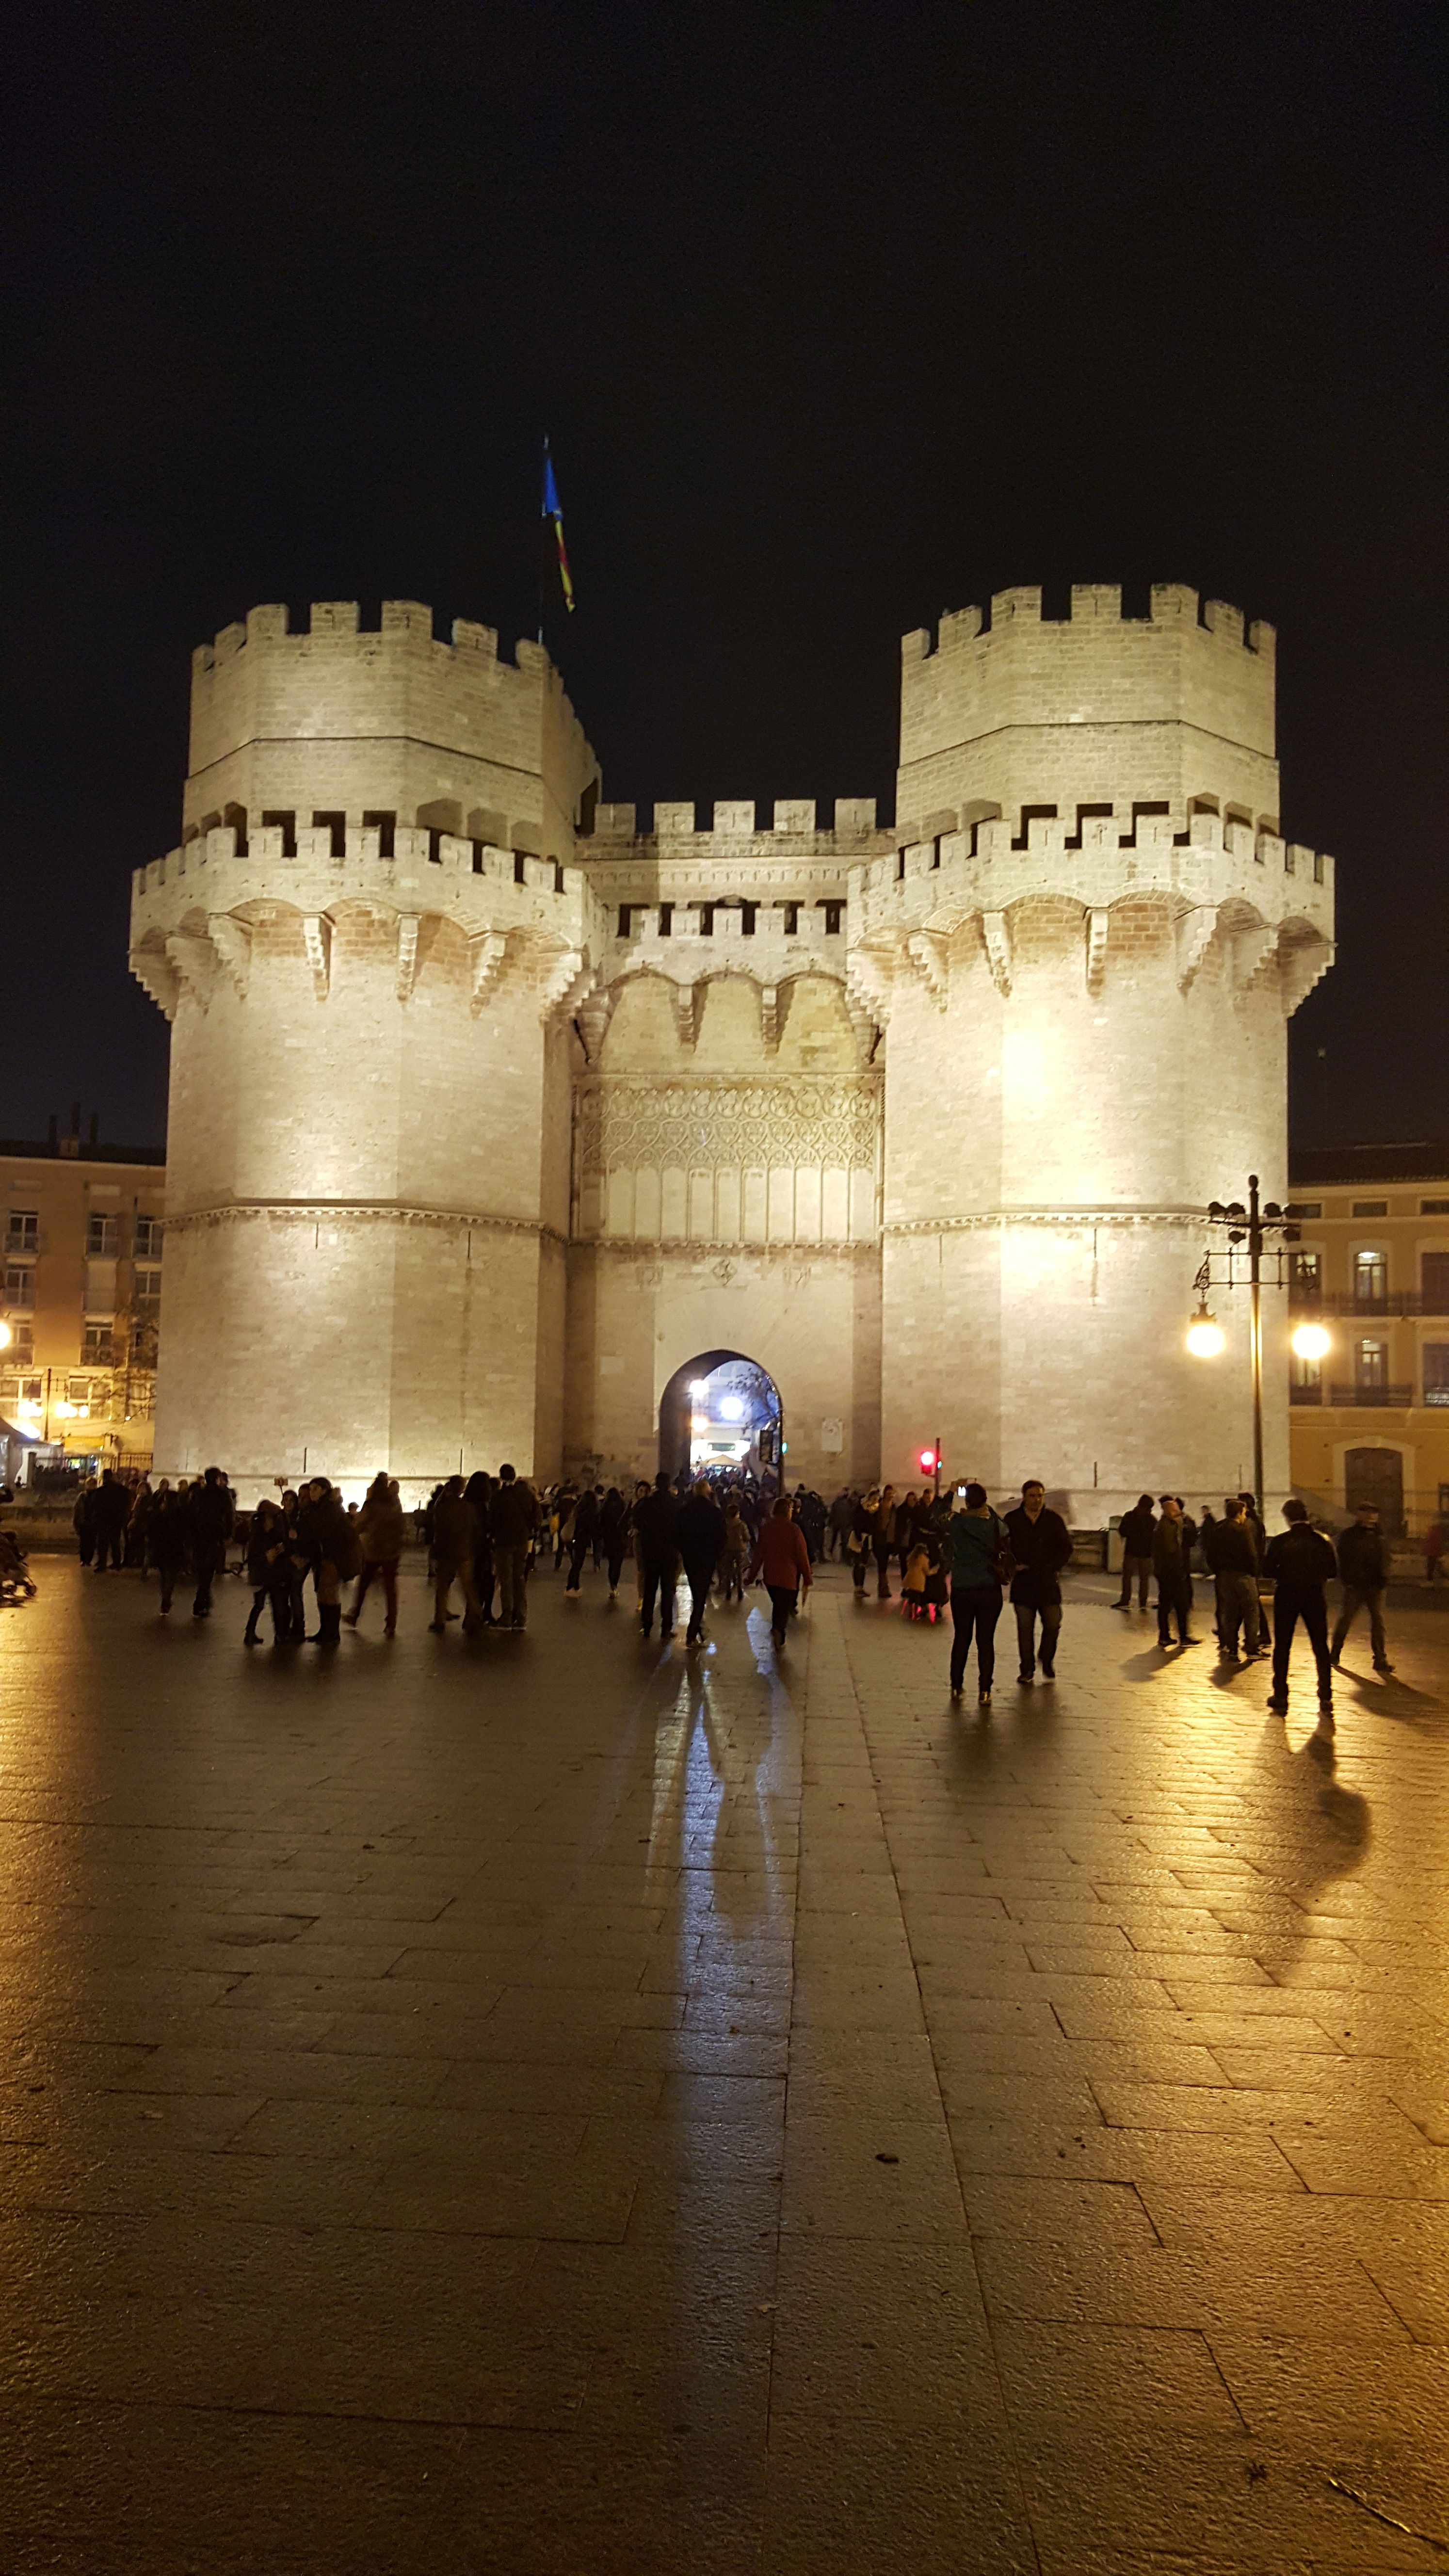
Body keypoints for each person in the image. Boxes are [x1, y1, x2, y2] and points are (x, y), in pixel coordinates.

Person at [1263, 1498, 1336, 1721]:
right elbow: (1333, 1570)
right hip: (1315, 1594)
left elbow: (1267, 1570)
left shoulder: (1280, 1541)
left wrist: (1284, 1573)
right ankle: (1325, 1694)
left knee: (1283, 1645)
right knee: (1320, 1645)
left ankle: (1281, 1695)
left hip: (1287, 1594)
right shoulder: (1322, 1541)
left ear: (1287, 1517)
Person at [1004, 1479, 1072, 1682]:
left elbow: (1066, 1548)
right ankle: (1027, 1668)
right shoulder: (1012, 1520)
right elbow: (1003, 1547)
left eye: (1040, 1496)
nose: (1037, 1500)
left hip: (1047, 1581)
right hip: (1024, 1582)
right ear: (1024, 1497)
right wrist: (1012, 1566)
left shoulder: (1053, 1520)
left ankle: (1047, 1657)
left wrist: (1054, 1566)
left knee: (1053, 1624)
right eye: (1033, 1496)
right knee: (1025, 1629)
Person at [945, 1482, 1007, 1703]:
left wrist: (951, 1491)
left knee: (962, 1638)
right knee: (986, 1640)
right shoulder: (993, 1524)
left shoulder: (958, 1523)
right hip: (989, 1588)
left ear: (967, 1501)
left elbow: (937, 1516)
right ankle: (985, 1691)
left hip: (963, 1587)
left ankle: (956, 1686)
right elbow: (1006, 1530)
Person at [1331, 1501, 1394, 1674]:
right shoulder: (1349, 1535)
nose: (1371, 1516)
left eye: (1374, 1513)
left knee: (1378, 1622)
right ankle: (1334, 1653)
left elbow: (1386, 1558)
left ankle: (1380, 1658)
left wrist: (1385, 1577)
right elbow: (1343, 1560)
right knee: (1346, 1619)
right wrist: (1348, 1580)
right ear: (1359, 1514)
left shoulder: (1380, 1535)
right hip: (1356, 1586)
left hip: (1376, 1585)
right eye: (1366, 1512)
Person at [296, 1476, 356, 1644]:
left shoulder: (330, 1508)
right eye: (311, 1489)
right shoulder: (322, 1507)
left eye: (315, 1489)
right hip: (326, 1556)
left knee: (329, 1592)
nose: (312, 1492)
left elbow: (321, 1531)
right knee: (324, 1592)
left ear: (324, 1491)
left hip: (334, 1556)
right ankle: (326, 1631)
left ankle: (332, 1633)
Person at [345, 1472, 407, 1636]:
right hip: (392, 1550)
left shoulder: (371, 1505)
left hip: (373, 1550)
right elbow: (402, 1525)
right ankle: (391, 1623)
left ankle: (355, 1614)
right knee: (390, 1587)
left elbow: (360, 1525)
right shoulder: (394, 1503)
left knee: (364, 1583)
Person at [748, 1494, 813, 1648]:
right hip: (788, 1578)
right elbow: (802, 1557)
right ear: (788, 1511)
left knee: (778, 1604)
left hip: (770, 1577)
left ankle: (776, 1630)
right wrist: (808, 1578)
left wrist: (751, 1576)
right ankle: (779, 1633)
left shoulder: (766, 1528)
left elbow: (758, 1555)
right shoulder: (794, 1530)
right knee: (783, 1607)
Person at [1202, 1497, 1261, 1659]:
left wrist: (1218, 1570)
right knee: (1251, 1611)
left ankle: (1231, 1646)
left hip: (1224, 1576)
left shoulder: (1218, 1529)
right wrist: (1254, 1572)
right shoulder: (1242, 1531)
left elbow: (1210, 1554)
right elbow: (1251, 1554)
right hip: (1243, 1575)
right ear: (1239, 1513)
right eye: (1243, 1513)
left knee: (1229, 1612)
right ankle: (1251, 1646)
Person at [428, 1477, 482, 1634]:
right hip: (464, 1552)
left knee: (443, 1588)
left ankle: (439, 1620)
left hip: (446, 1552)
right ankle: (476, 1614)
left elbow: (437, 1526)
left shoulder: (443, 1507)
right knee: (467, 1587)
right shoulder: (468, 1507)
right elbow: (475, 1529)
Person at [632, 1470, 680, 1640]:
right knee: (668, 1590)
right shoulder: (676, 1505)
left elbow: (636, 1522)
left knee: (650, 1588)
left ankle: (646, 1624)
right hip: (669, 1552)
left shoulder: (647, 1504)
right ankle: (666, 1626)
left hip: (650, 1551)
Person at [678, 1478, 726, 1645]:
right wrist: (718, 1556)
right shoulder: (714, 1511)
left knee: (697, 1594)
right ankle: (692, 1634)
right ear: (708, 1491)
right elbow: (721, 1537)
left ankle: (698, 1627)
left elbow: (678, 1533)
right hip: (707, 1558)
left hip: (690, 1557)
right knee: (700, 1596)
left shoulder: (685, 1510)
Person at [488, 1464, 537, 1629]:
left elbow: (492, 1520)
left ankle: (507, 1617)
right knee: (519, 1578)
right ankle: (522, 1617)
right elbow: (537, 1516)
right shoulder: (527, 1494)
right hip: (522, 1541)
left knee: (506, 1580)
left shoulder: (499, 1497)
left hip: (504, 1542)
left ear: (501, 1477)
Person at [187, 1466, 236, 1619]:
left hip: (199, 1535)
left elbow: (191, 1514)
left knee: (203, 1569)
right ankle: (201, 1602)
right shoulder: (223, 1494)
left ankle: (204, 1601)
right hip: (215, 1535)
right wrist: (229, 1534)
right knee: (208, 1571)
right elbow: (230, 1515)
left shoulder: (198, 1493)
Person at [243, 1497, 292, 1643]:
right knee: (266, 1605)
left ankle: (252, 1633)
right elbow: (255, 1558)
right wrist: (268, 1556)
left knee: (262, 1605)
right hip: (265, 1576)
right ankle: (255, 1633)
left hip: (265, 1577)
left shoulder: (265, 1536)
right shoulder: (260, 1538)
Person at [1151, 1495, 1198, 1647]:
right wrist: (1179, 1570)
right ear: (1170, 1512)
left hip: (1171, 1571)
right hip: (1171, 1572)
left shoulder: (1174, 1525)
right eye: (1177, 1510)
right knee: (1173, 1604)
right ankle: (1172, 1636)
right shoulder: (1166, 1527)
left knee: (1173, 1604)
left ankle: (1172, 1636)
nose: (1180, 1513)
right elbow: (1172, 1550)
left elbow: (1190, 1541)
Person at [149, 1483, 190, 1614]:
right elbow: (185, 1531)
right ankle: (167, 1599)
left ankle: (165, 1599)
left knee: (163, 1575)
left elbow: (151, 1530)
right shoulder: (181, 1514)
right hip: (175, 1548)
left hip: (161, 1547)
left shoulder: (159, 1514)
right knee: (171, 1576)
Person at [1240, 1493, 1272, 1644]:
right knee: (1249, 1601)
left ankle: (1262, 1634)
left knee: (1251, 1602)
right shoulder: (1256, 1521)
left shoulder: (1249, 1523)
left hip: (1249, 1567)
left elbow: (1250, 1546)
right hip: (1254, 1566)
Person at [1114, 1494, 1155, 1610]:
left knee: (1127, 1577)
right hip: (1146, 1553)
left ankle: (1125, 1599)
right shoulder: (1152, 1520)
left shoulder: (1129, 1516)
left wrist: (1132, 1535)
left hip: (1131, 1551)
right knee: (1144, 1579)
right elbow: (1155, 1537)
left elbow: (1123, 1531)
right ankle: (1143, 1601)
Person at [91, 1469, 132, 1572]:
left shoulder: (100, 1491)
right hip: (116, 1521)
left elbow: (94, 1505)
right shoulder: (121, 1490)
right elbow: (127, 1501)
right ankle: (117, 1563)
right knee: (115, 1543)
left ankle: (102, 1564)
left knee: (103, 1544)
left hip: (103, 1521)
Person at [565, 1483, 599, 1595]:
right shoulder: (590, 1512)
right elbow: (591, 1528)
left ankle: (576, 1587)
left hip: (572, 1539)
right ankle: (570, 1588)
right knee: (577, 1564)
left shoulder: (578, 1509)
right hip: (581, 1540)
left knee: (576, 1563)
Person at [598, 1486, 629, 1599]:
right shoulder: (623, 1506)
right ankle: (615, 1585)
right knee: (618, 1564)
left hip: (609, 1538)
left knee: (611, 1564)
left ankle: (612, 1585)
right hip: (620, 1538)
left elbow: (601, 1522)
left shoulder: (605, 1507)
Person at [719, 1495, 751, 1603]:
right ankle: (740, 1591)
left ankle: (728, 1591)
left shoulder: (723, 1523)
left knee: (728, 1571)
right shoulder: (741, 1524)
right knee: (740, 1571)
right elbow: (747, 1537)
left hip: (727, 1548)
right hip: (739, 1549)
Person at [848, 1489, 877, 1594]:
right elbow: (857, 1524)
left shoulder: (872, 1510)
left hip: (867, 1539)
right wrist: (860, 1538)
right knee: (858, 1564)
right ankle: (857, 1587)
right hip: (859, 1538)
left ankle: (861, 1587)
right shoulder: (861, 1509)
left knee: (863, 1564)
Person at [871, 1484, 896, 1600]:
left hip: (889, 1539)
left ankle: (883, 1587)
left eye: (892, 1493)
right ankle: (883, 1588)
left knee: (884, 1564)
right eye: (889, 1493)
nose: (891, 1495)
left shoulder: (894, 1508)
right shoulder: (878, 1506)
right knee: (882, 1564)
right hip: (879, 1538)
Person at [73, 1482, 97, 1568]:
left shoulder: (95, 1496)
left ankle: (88, 1560)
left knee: (90, 1543)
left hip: (91, 1522)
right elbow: (78, 1509)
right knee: (84, 1543)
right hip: (85, 1522)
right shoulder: (83, 1496)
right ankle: (84, 1560)